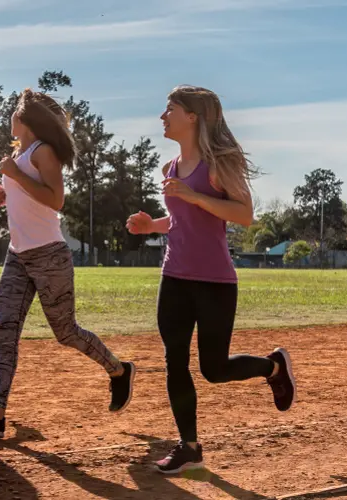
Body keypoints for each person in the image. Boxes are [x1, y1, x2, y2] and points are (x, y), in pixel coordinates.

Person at [126, 85, 296, 474]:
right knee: (175, 362)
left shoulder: (220, 163)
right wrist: (152, 224)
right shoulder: (170, 169)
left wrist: (194, 196)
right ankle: (189, 447)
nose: (162, 116)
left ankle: (273, 367)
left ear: (193, 117)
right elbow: (182, 220)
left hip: (215, 281)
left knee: (214, 369)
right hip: (174, 277)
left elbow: (244, 214)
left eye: (169, 109)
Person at [0, 89, 136, 438]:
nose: (9, 116)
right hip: (18, 254)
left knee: (66, 332)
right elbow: (31, 195)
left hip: (49, 256)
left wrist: (17, 178)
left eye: (14, 111)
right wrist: (7, 194)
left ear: (24, 118)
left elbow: (56, 200)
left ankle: (118, 370)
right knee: (7, 331)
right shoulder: (21, 153)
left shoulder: (43, 151)